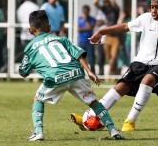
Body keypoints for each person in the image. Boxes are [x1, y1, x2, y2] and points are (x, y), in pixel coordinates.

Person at [71, 0, 158, 132]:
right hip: (140, 62)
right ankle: (89, 117)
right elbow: (124, 26)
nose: (153, 10)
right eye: (152, 7)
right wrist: (102, 31)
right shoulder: (145, 18)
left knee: (148, 80)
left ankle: (130, 121)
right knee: (121, 87)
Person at [19, 10, 124, 141]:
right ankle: (113, 130)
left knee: (38, 99)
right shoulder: (61, 39)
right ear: (50, 28)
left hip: (55, 78)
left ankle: (38, 132)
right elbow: (78, 54)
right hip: (76, 73)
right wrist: (89, 71)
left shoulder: (30, 48)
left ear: (30, 31)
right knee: (93, 102)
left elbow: (23, 72)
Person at [93, 0, 120, 76]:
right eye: (104, 1)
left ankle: (109, 74)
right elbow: (95, 3)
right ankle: (114, 73)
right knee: (109, 58)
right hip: (108, 36)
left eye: (106, 1)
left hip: (116, 36)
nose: (105, 3)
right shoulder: (104, 10)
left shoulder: (115, 9)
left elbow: (113, 1)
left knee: (113, 57)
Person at [78, 5, 96, 73]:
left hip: (90, 41)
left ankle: (93, 73)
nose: (85, 13)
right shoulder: (79, 19)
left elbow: (91, 28)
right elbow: (79, 29)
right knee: (81, 58)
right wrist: (87, 29)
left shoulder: (92, 19)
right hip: (82, 41)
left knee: (91, 59)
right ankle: (80, 73)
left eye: (86, 12)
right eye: (84, 12)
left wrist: (86, 21)